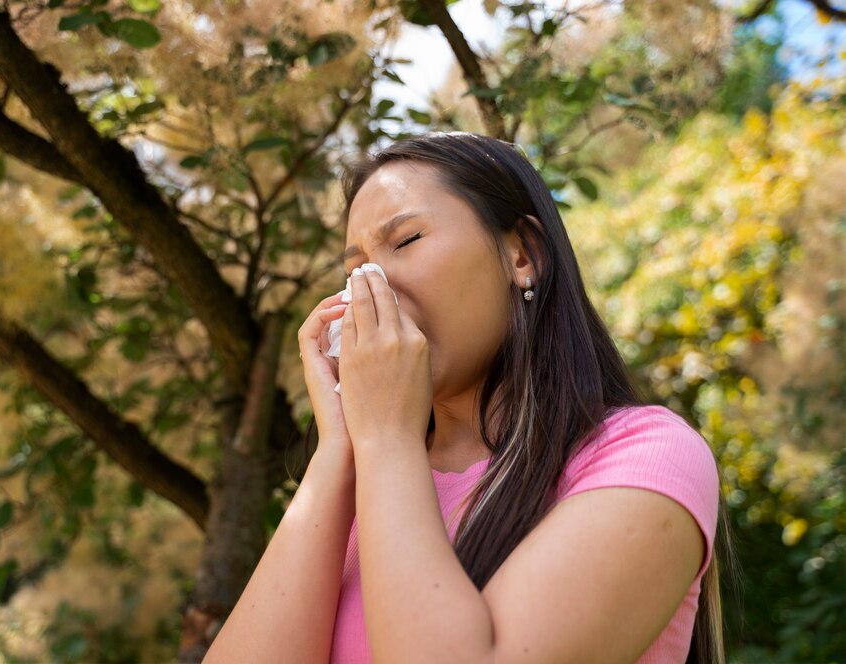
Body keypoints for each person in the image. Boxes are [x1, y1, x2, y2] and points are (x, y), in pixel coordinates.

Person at [204, 132, 733, 663]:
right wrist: (338, 449)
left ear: (523, 254)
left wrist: (387, 437)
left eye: (406, 240)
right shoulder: (364, 491)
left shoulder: (645, 455)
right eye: (353, 270)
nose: (369, 288)